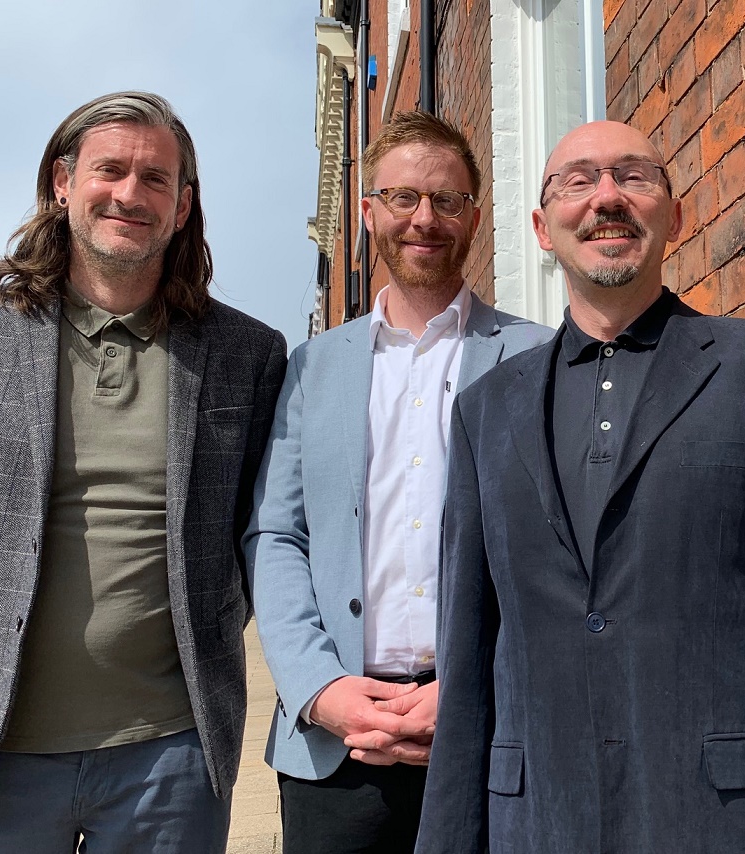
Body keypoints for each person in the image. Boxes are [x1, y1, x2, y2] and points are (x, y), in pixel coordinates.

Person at [416, 120, 745, 852]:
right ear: (542, 226)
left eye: (635, 177)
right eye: (579, 180)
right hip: (537, 825)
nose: (607, 197)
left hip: (719, 825)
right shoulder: (484, 413)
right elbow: (468, 663)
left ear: (675, 214)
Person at [0, 91, 287, 853]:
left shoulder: (249, 354)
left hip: (167, 756)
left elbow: (249, 535)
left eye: (156, 179)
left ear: (183, 206)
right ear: (62, 182)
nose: (130, 194)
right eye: (111, 170)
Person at [243, 110, 551, 854]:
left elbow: (554, 554)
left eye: (447, 200)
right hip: (336, 746)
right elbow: (276, 534)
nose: (426, 219)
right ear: (370, 211)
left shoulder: (536, 358)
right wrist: (321, 690)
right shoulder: (312, 367)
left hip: (491, 734)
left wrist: (477, 685)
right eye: (405, 197)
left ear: (475, 216)